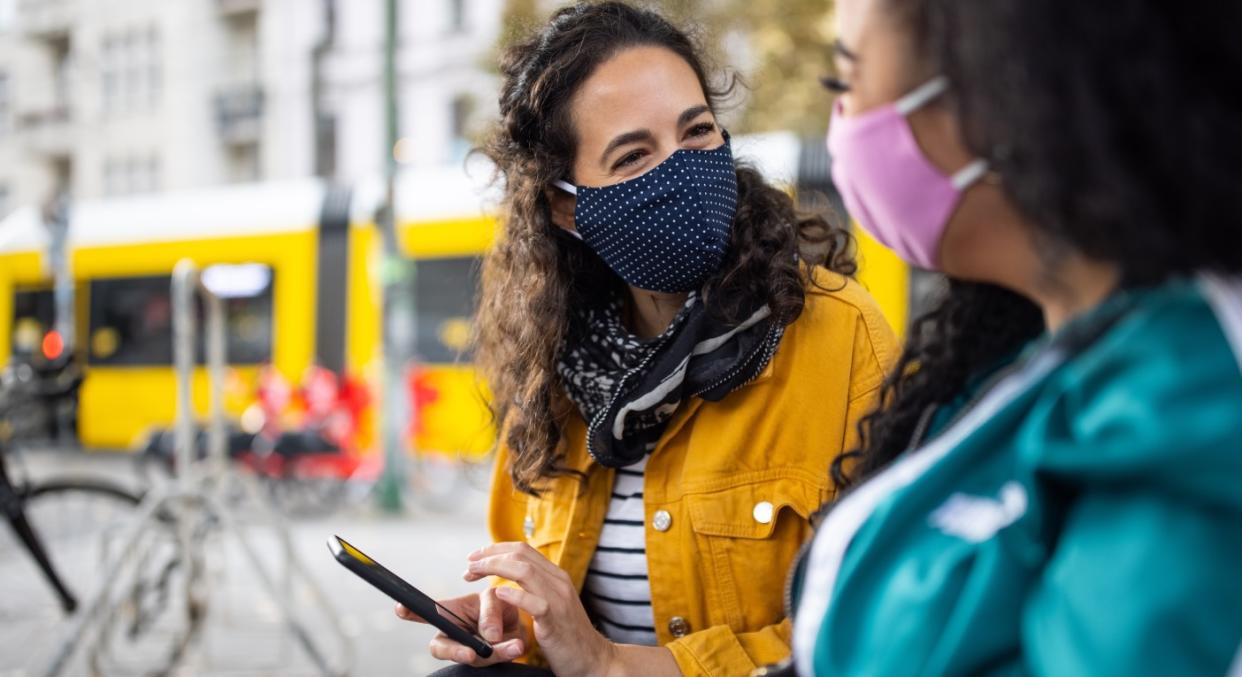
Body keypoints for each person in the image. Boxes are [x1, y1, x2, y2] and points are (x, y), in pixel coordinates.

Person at [397, 2, 898, 675]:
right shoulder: (552, 364)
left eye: (696, 134)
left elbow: (881, 626)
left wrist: (615, 663)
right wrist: (517, 624)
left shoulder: (840, 333)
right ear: (567, 206)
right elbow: (546, 604)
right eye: (634, 155)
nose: (682, 170)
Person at [788, 0, 1242, 674]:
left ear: (997, 94)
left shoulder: (1189, 405)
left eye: (845, 83)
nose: (843, 126)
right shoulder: (1016, 353)